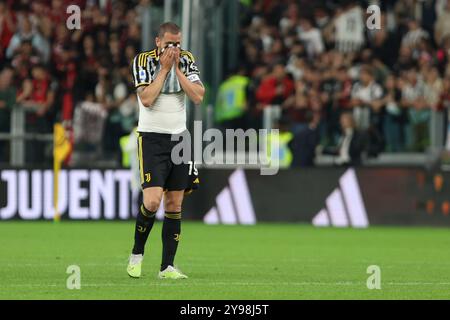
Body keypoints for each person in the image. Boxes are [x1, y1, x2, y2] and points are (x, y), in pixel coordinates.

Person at [127, 22, 205, 280]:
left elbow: (198, 95)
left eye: (178, 44)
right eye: (169, 43)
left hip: (180, 140)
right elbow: (147, 99)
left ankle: (167, 267)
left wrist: (178, 71)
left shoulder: (187, 60)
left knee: (174, 203)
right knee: (151, 201)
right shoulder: (143, 61)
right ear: (158, 41)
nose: (174, 48)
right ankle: (137, 254)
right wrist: (164, 70)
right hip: (151, 139)